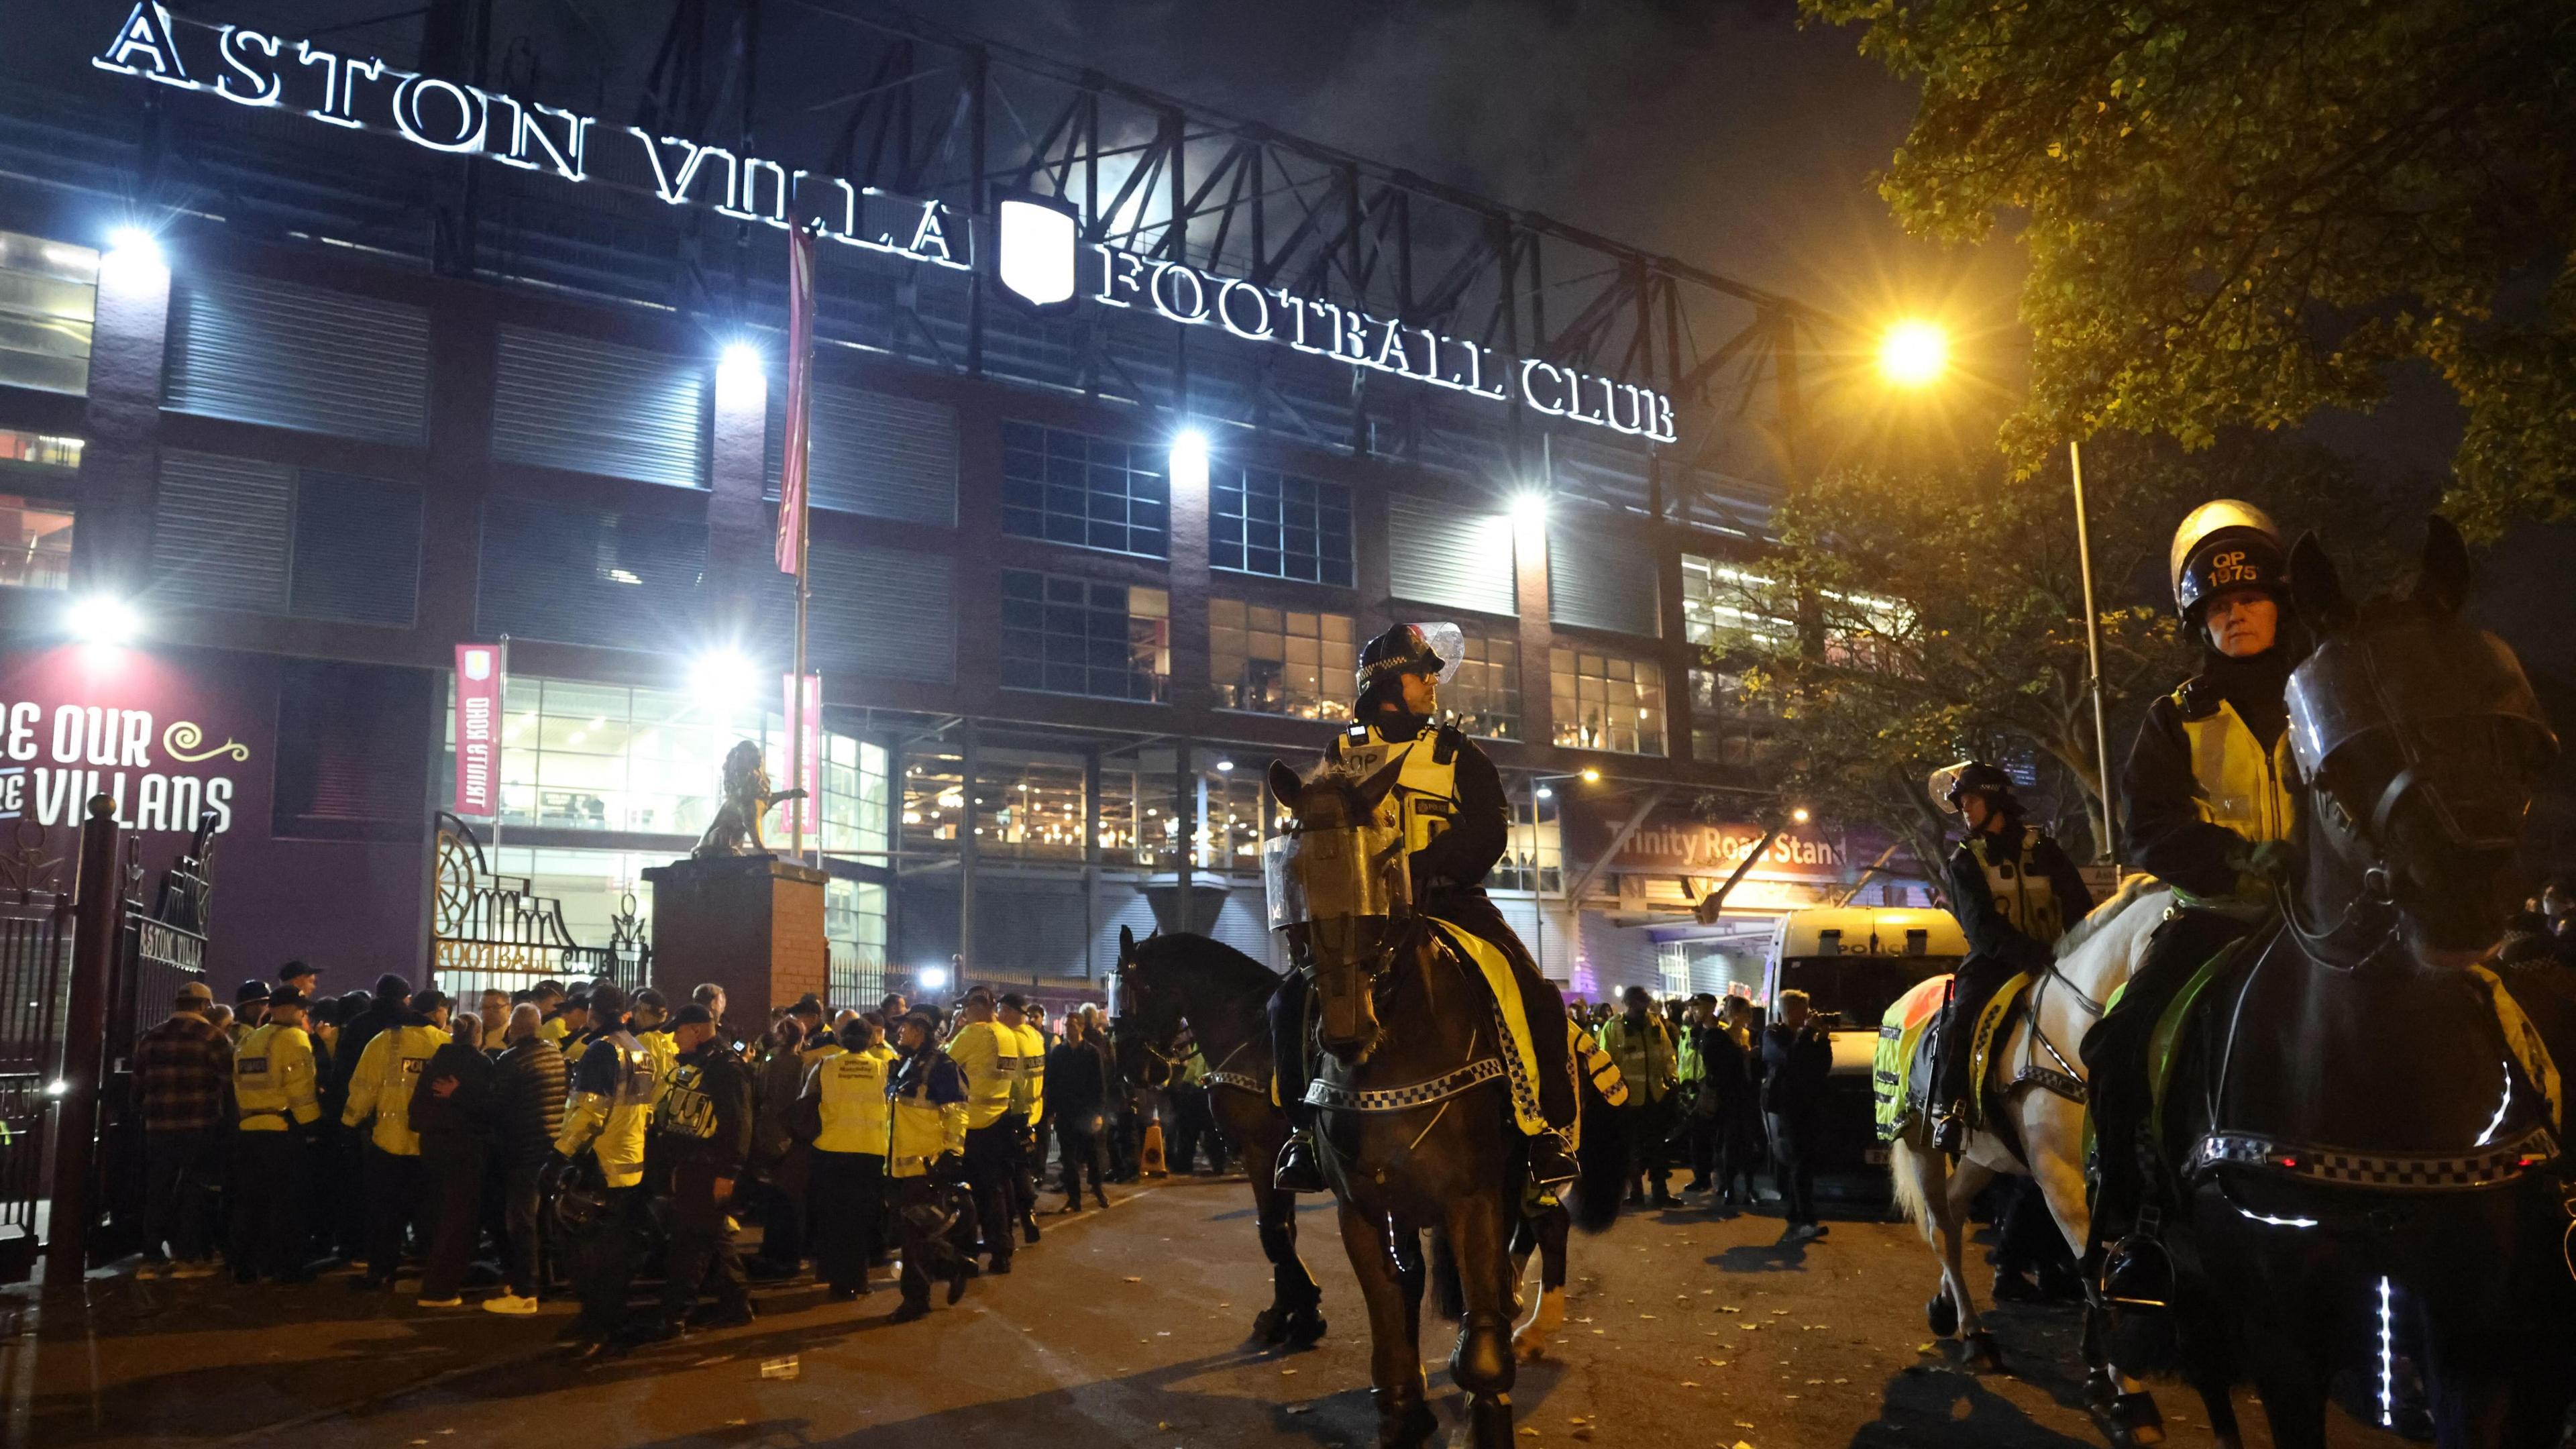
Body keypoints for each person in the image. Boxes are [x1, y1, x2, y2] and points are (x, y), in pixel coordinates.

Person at [1271, 622, 1580, 1193]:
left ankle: (1544, 1131)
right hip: (1368, 917)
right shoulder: (1340, 754)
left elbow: (1489, 833)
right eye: (1424, 674)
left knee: (1532, 991)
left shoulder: (1458, 752)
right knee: (1286, 1002)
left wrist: (1425, 868)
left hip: (1449, 904)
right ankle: (1304, 1136)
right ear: (1391, 683)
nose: (1434, 684)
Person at [2083, 500, 2300, 1307]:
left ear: (2283, 605)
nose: (2234, 614)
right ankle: (2135, 1227)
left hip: (2332, 918)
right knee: (2115, 1044)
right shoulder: (2172, 718)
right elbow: (2147, 830)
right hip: (2220, 919)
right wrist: (2237, 857)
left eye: (2248, 599)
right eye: (2216, 606)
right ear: (2198, 624)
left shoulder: (2329, 696)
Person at [1927, 761, 2094, 1153]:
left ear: (1993, 799)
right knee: (1961, 1018)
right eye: (1962, 803)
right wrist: (2029, 954)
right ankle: (1952, 1109)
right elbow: (1980, 928)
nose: (1964, 810)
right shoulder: (1965, 859)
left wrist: (2073, 950)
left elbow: (2079, 907)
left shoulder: (2046, 850)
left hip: (2057, 959)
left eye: (1969, 800)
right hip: (1995, 963)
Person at [636, 1004, 755, 1340]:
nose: (673, 1038)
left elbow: (738, 1125)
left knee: (690, 1243)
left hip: (708, 1168)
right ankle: (736, 1304)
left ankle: (674, 1315)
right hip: (692, 1165)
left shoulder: (725, 1068)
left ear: (698, 1031)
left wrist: (728, 1173)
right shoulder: (699, 1065)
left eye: (679, 1031)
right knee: (711, 1236)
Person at [550, 981, 654, 1360]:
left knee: (591, 1255)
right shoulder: (640, 1050)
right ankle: (603, 1321)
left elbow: (588, 1113)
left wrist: (560, 1155)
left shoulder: (600, 1051)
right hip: (630, 1164)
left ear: (594, 1012)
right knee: (615, 1253)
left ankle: (598, 1327)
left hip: (601, 1163)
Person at [340, 983, 451, 1290]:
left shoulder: (383, 1042)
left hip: (387, 1142)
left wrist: (349, 1124)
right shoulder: (445, 1044)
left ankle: (382, 1272)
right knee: (430, 1214)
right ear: (437, 1014)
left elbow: (363, 1088)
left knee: (385, 1214)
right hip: (429, 1144)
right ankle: (432, 1276)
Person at [135, 980, 231, 1278]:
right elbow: (229, 1083)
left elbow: (137, 1087)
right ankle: (188, 1258)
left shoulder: (151, 1038)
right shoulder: (213, 1037)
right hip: (199, 1125)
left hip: (158, 1126)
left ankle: (151, 1258)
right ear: (205, 1006)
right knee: (193, 1189)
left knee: (158, 1189)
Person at [228, 984, 319, 1283]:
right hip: (281, 1131)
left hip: (247, 1129)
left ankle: (242, 1265)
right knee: (286, 1205)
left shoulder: (249, 1041)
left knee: (248, 1203)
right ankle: (287, 1268)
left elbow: (239, 1085)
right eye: (300, 1007)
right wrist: (312, 1127)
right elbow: (302, 1092)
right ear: (284, 1009)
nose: (304, 1012)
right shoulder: (295, 1039)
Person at [801, 1014, 895, 1300]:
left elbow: (805, 1102)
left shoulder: (826, 1066)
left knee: (833, 1217)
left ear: (842, 1039)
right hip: (870, 1152)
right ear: (870, 1041)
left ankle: (833, 1277)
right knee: (862, 1219)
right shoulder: (883, 1069)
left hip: (830, 1150)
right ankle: (858, 1278)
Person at [885, 1009, 972, 1322]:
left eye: (905, 1027)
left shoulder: (942, 1067)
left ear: (920, 1031)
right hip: (899, 1164)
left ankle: (915, 1301)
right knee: (915, 1232)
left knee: (913, 1237)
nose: (899, 1033)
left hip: (924, 1164)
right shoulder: (909, 1063)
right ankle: (954, 1263)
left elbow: (957, 1112)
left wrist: (952, 1152)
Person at [411, 1011, 496, 1308]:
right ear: (477, 1035)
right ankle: (439, 1289)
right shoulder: (481, 1065)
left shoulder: (436, 1063)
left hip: (432, 1146)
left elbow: (416, 1110)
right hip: (465, 1149)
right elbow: (489, 1109)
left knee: (437, 1213)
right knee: (459, 1220)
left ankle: (433, 1276)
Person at [485, 1003, 565, 1316]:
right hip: (549, 1148)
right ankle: (545, 1282)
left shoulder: (513, 1059)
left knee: (520, 1222)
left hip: (522, 1150)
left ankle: (525, 1291)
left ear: (514, 1028)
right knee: (542, 1219)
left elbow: (495, 1105)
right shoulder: (553, 1053)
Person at [944, 989, 1022, 1273]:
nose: (963, 1013)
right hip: (1000, 1119)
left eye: (965, 1007)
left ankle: (967, 1256)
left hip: (972, 1124)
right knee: (996, 1192)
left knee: (964, 1194)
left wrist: (952, 1032)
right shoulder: (1007, 1035)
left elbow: (942, 1062)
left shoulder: (973, 1034)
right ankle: (1002, 1253)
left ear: (975, 1007)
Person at [1761, 989, 1833, 1244]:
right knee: (1799, 1160)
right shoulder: (1773, 1034)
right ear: (1788, 1010)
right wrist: (1805, 1035)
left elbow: (1822, 1066)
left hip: (1809, 1105)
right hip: (1786, 1106)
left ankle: (1796, 1217)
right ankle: (1805, 1219)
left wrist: (1823, 1040)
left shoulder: (1805, 1037)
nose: (1807, 1014)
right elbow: (1788, 1059)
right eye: (1802, 1009)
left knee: (1804, 1162)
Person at [1599, 985, 1680, 1207]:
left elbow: (1667, 1054)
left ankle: (1660, 1192)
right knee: (1632, 1148)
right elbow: (1605, 1063)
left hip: (1655, 1095)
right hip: (1627, 1100)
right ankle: (1636, 1193)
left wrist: (1673, 1078)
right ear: (1628, 1004)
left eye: (1644, 1002)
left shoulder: (1655, 1024)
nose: (1643, 1006)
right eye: (1638, 1002)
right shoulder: (1612, 1028)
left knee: (1658, 1147)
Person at [747, 1016, 811, 1279]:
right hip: (791, 1138)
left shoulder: (770, 1058)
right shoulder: (803, 1064)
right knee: (791, 1201)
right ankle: (789, 1257)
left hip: (767, 1133)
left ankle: (770, 1251)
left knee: (773, 1198)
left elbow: (759, 1091)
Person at [1047, 1015, 1111, 1211]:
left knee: (1092, 1154)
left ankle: (1097, 1188)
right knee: (1068, 1159)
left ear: (1081, 1028)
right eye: (1066, 1025)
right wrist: (1051, 1111)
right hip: (1066, 1111)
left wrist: (1098, 1113)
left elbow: (1100, 1085)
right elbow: (1052, 1083)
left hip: (1086, 1112)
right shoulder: (1058, 1053)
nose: (1068, 1029)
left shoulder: (1092, 1053)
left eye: (1072, 1026)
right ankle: (1074, 1199)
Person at [998, 993, 1046, 1244]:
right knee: (1023, 1166)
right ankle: (1029, 1217)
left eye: (1000, 1010)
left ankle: (1010, 1220)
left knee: (1009, 1170)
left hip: (1012, 1111)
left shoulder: (1011, 1039)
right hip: (1032, 1112)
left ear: (1009, 1011)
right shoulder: (1034, 1036)